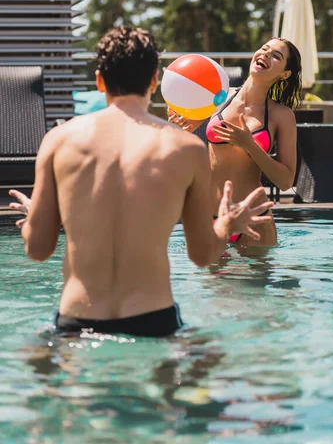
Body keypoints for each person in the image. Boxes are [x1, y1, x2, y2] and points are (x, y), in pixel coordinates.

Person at [9, 26, 273, 338]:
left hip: (76, 323)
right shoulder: (185, 148)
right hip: (153, 320)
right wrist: (227, 225)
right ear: (153, 81)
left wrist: (31, 220)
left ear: (99, 80)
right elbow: (202, 255)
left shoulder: (58, 140)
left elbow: (39, 249)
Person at [169, 37, 302, 247]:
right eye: (264, 49)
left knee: (253, 282)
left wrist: (249, 144)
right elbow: (183, 140)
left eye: (276, 56)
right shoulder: (218, 98)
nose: (266, 54)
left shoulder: (281, 116)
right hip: (210, 217)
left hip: (253, 219)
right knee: (210, 281)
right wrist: (177, 130)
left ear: (284, 74)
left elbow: (285, 182)